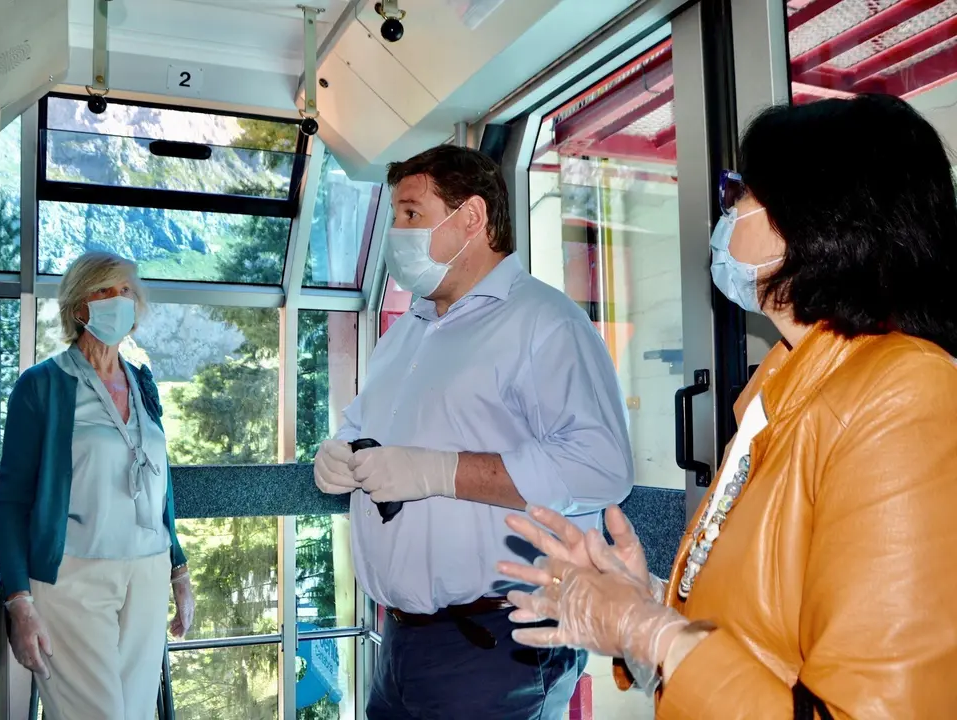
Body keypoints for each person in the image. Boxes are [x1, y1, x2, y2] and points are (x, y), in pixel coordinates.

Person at [497, 93, 957, 719]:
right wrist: (647, 603)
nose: (727, 211)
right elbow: (771, 632)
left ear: (816, 217)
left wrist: (648, 631)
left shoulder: (905, 399)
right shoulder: (786, 387)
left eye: (739, 192)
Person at [312, 145, 633, 718]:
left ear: (473, 218)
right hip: (402, 642)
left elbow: (600, 465)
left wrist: (441, 471)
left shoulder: (543, 321)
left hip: (497, 641)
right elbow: (363, 421)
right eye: (394, 218)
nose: (396, 233)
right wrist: (336, 450)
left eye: (411, 214)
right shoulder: (408, 329)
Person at [0, 251, 196, 720]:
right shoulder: (41, 386)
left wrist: (179, 570)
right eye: (104, 290)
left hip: (145, 576)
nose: (118, 300)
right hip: (72, 579)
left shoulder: (143, 383)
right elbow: (11, 502)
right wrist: (19, 601)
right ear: (79, 306)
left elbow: (158, 484)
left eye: (126, 291)